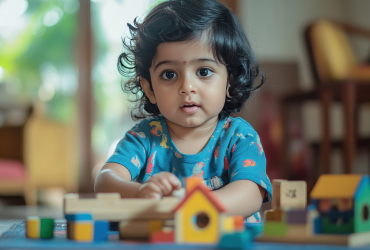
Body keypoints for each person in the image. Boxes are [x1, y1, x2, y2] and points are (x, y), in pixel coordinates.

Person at [95, 0, 272, 217]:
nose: (187, 87)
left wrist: (190, 207)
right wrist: (139, 192)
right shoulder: (143, 138)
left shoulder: (240, 137)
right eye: (169, 74)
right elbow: (105, 181)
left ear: (229, 81)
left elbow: (250, 194)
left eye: (204, 72)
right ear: (149, 88)